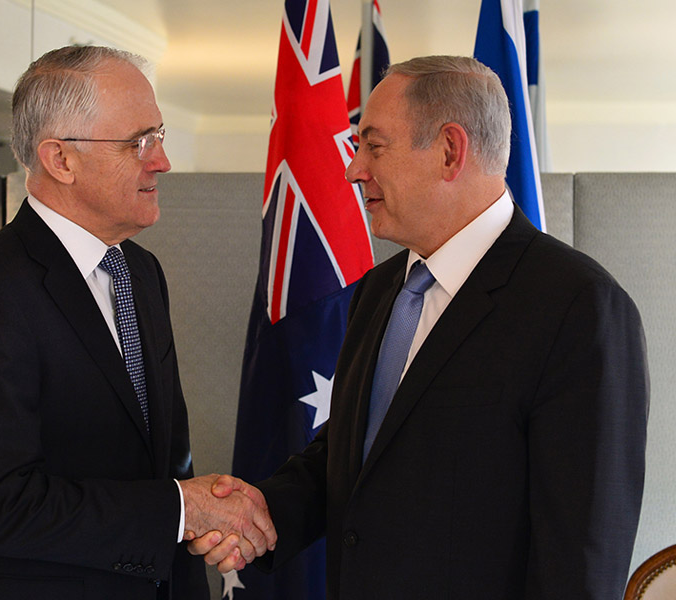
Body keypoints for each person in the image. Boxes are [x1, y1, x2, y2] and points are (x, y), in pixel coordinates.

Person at [190, 55, 649, 599]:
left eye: (374, 146)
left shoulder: (579, 309)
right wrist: (264, 515)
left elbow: (581, 557)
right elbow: (354, 455)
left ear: (451, 151)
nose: (353, 169)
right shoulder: (381, 289)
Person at [0, 45, 274, 600]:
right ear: (61, 159)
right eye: (139, 142)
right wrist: (181, 510)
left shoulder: (139, 271)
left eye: (158, 135)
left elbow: (161, 462)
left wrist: (197, 516)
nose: (161, 160)